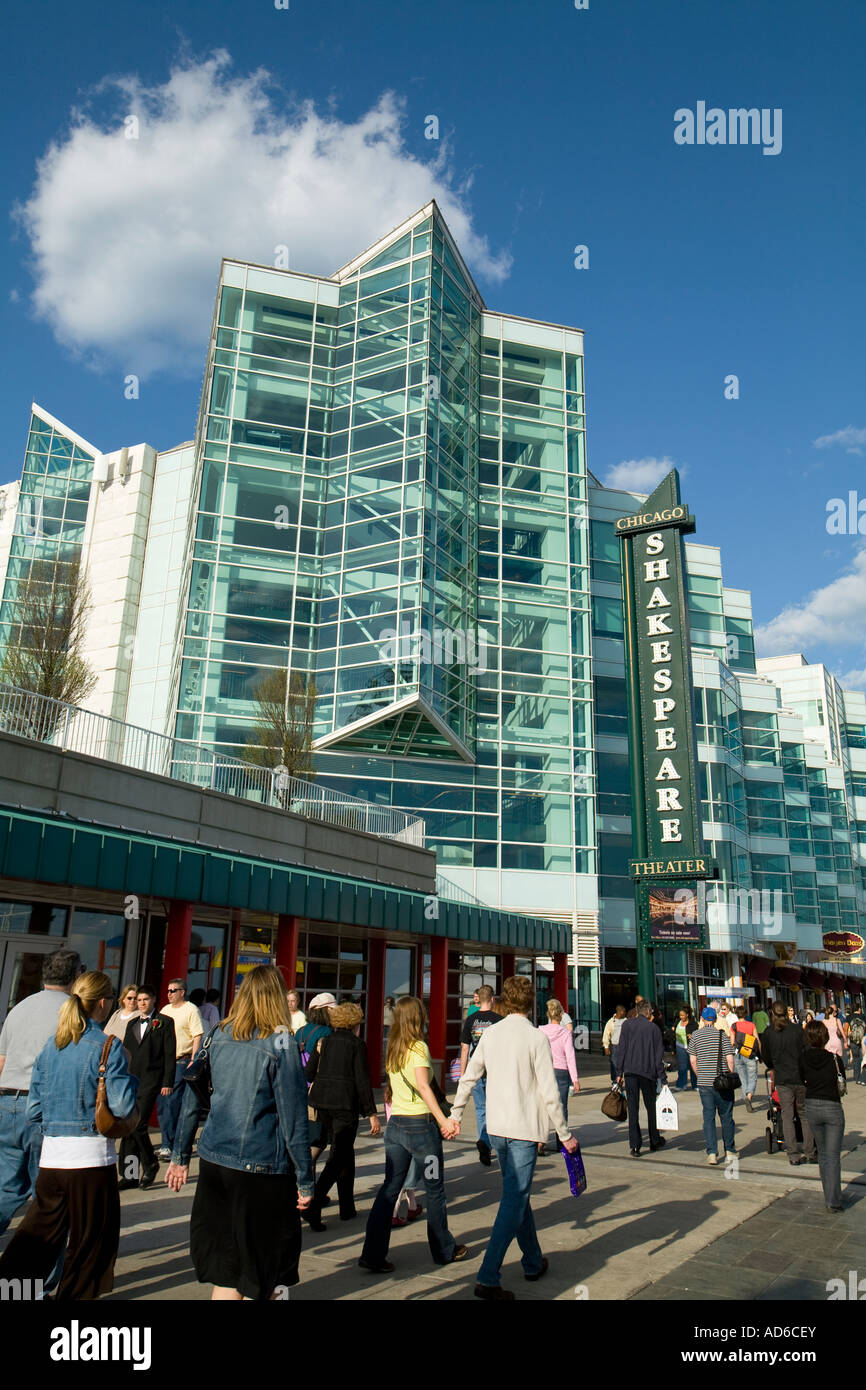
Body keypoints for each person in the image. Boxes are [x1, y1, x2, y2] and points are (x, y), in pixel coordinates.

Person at [166, 964, 313, 1300]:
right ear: (277, 997)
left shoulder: (218, 1033)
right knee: (262, 1270)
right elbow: (293, 1119)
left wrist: (180, 1155)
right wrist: (305, 1178)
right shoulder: (281, 1042)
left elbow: (193, 1096)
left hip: (215, 1160)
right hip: (260, 1167)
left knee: (229, 1269)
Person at [0, 971, 138, 1300]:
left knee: (37, 1240)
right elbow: (122, 1104)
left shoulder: (52, 1046)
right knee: (91, 1248)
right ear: (103, 1003)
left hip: (52, 1159)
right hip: (91, 1160)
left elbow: (35, 1110)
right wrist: (129, 1076)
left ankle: (12, 1293)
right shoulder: (108, 1046)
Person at [450, 975, 578, 1300]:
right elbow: (550, 1092)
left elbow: (468, 1077)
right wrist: (564, 1135)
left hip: (497, 1129)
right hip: (523, 1130)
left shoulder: (491, 1035)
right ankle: (488, 1275)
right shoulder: (536, 1039)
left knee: (517, 1195)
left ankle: (533, 1260)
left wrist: (455, 1114)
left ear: (505, 1000)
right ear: (531, 1001)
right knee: (514, 1199)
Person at [359, 995, 466, 1275]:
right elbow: (424, 1086)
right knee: (434, 1189)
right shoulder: (418, 1047)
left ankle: (372, 1253)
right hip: (421, 1130)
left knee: (389, 1189)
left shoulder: (393, 1047)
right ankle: (444, 1249)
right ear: (417, 1017)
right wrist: (445, 1121)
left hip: (396, 1128)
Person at [0, 947, 84, 1236]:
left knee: (7, 1185)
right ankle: (40, 1267)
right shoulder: (72, 1012)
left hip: (8, 1101)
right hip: (44, 1107)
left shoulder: (20, 1007)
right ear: (76, 976)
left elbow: (1, 1060)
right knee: (47, 1194)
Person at [303, 1002, 380, 1228]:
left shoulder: (324, 1042)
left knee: (344, 1152)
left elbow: (309, 1072)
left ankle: (347, 1207)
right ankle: (314, 1202)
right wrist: (371, 1113)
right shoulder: (357, 1045)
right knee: (339, 1156)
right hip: (345, 1105)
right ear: (355, 1023)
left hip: (322, 1103)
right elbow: (362, 1080)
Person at [118, 987, 176, 1191]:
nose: (141, 1003)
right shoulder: (132, 1023)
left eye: (145, 999)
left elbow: (170, 1054)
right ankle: (130, 1174)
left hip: (152, 1079)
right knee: (129, 1126)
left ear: (153, 1000)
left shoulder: (165, 1022)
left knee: (139, 1124)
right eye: (139, 999)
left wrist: (168, 1082)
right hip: (130, 1079)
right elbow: (125, 1051)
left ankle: (150, 1164)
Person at [760, 1000, 817, 1166]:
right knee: (804, 1114)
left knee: (786, 1115)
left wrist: (773, 1066)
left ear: (772, 1013)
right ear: (786, 1012)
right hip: (800, 1076)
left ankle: (793, 1154)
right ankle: (809, 1151)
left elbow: (766, 1055)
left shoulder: (769, 1032)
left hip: (783, 1078)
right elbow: (806, 1050)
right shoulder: (797, 1030)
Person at [800, 1020, 845, 1211]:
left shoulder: (802, 1058)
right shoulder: (834, 1059)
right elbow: (841, 1082)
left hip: (812, 1106)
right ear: (825, 1036)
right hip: (832, 1106)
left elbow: (802, 1079)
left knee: (824, 1153)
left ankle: (828, 1195)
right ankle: (833, 1201)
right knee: (833, 1155)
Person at [156, 979, 204, 1160]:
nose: (169, 994)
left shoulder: (191, 1010)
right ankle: (168, 1141)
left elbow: (197, 1035)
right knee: (162, 1104)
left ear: (182, 992)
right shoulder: (165, 1011)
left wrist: (194, 1058)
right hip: (164, 1062)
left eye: (173, 990)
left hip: (181, 1061)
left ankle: (169, 1145)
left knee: (173, 1102)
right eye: (168, 990)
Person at [459, 983, 502, 1166]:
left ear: (479, 999)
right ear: (492, 999)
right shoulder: (499, 1020)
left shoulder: (471, 1019)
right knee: (495, 1110)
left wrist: (463, 1074)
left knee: (481, 1110)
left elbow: (464, 1049)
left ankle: (484, 1141)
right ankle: (487, 1142)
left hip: (476, 1072)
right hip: (494, 1072)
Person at [617, 1000, 666, 1156]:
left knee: (633, 1108)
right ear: (649, 1012)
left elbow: (621, 1049)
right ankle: (654, 1140)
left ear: (637, 1011)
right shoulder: (653, 1029)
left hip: (630, 1071)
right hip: (648, 1072)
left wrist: (619, 1072)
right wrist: (663, 1078)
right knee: (651, 1107)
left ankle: (635, 1145)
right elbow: (658, 1057)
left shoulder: (627, 1025)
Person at [689, 1007, 736, 1165]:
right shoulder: (722, 1035)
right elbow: (730, 1059)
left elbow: (693, 1061)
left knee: (708, 1117)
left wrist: (699, 1074)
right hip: (722, 1082)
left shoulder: (695, 1036)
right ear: (715, 1020)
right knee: (727, 1116)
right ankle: (729, 1150)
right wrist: (729, 1074)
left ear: (702, 1019)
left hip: (705, 1083)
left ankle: (712, 1153)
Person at [294, 994, 336, 1169]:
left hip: (298, 1089)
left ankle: (306, 1187)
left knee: (305, 1139)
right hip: (317, 1092)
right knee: (317, 1141)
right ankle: (305, 1184)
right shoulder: (327, 1033)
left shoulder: (299, 1032)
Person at [538, 998, 579, 1153]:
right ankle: (562, 1140)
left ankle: (540, 1141)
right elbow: (570, 1057)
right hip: (561, 1071)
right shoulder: (565, 1033)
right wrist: (575, 1079)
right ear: (561, 1014)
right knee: (561, 1107)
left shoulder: (540, 1030)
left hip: (544, 1069)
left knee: (543, 1107)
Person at [731, 1006, 761, 1112]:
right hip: (750, 1054)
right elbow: (757, 1039)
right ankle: (749, 1096)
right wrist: (760, 1053)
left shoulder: (734, 1026)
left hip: (738, 1054)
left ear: (736, 1014)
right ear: (746, 1014)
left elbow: (732, 1042)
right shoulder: (751, 1025)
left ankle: (746, 1097)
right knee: (752, 1077)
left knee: (743, 1079)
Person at [673, 1007, 698, 1091]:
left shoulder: (693, 1023)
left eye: (683, 1015)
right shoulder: (677, 1022)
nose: (681, 1017)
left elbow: (696, 1033)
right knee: (682, 1066)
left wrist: (691, 1036)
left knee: (692, 1065)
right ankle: (681, 1084)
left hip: (690, 1046)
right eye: (680, 1015)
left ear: (687, 1015)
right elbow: (674, 1031)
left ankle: (695, 1084)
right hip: (680, 1046)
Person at [602, 1004, 628, 1083]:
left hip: (625, 1046)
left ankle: (624, 1080)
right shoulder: (611, 1022)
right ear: (618, 1012)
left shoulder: (626, 1021)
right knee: (614, 1064)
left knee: (625, 1064)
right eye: (623, 1012)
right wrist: (606, 1047)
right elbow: (606, 1034)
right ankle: (615, 1081)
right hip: (615, 1046)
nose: (625, 1013)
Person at [824, 1005, 846, 1079]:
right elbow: (842, 1032)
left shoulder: (823, 1021)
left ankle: (831, 1075)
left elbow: (821, 1033)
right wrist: (845, 1041)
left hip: (828, 1042)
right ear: (833, 1012)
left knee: (829, 1060)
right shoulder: (837, 1020)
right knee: (838, 1060)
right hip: (837, 1041)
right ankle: (839, 1074)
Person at [848, 1003, 866, 1085]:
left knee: (856, 1059)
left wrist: (846, 1040)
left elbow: (845, 1029)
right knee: (863, 1059)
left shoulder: (849, 1017)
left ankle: (856, 1078)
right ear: (859, 1009)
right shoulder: (863, 1017)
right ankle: (862, 1078)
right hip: (862, 1039)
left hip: (853, 1040)